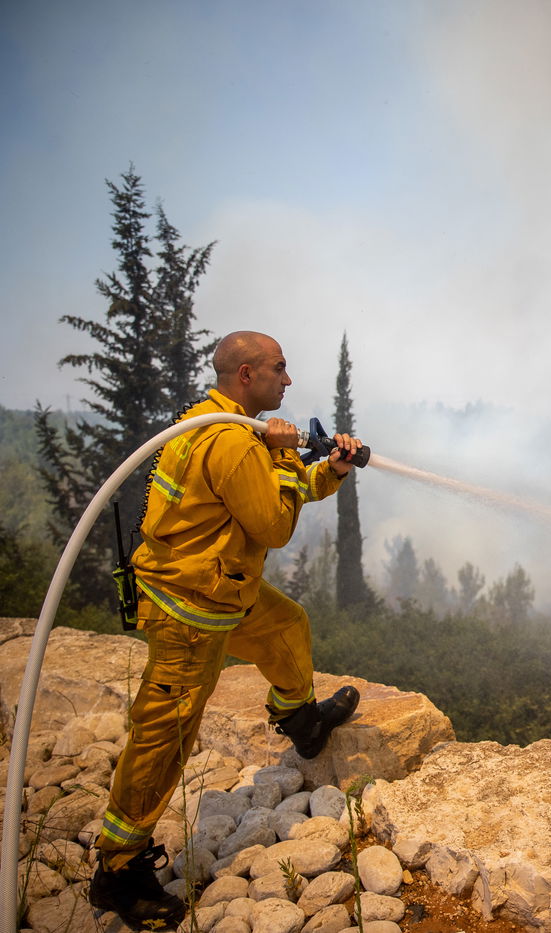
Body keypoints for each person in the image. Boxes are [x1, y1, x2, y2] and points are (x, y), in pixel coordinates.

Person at [88, 331, 367, 929]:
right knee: (165, 735)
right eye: (279, 369)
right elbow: (273, 525)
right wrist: (292, 456)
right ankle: (118, 869)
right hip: (190, 612)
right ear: (245, 374)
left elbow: (267, 499)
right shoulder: (233, 442)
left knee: (286, 626)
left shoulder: (223, 425)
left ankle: (302, 722)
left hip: (222, 589)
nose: (288, 382)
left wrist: (333, 468)